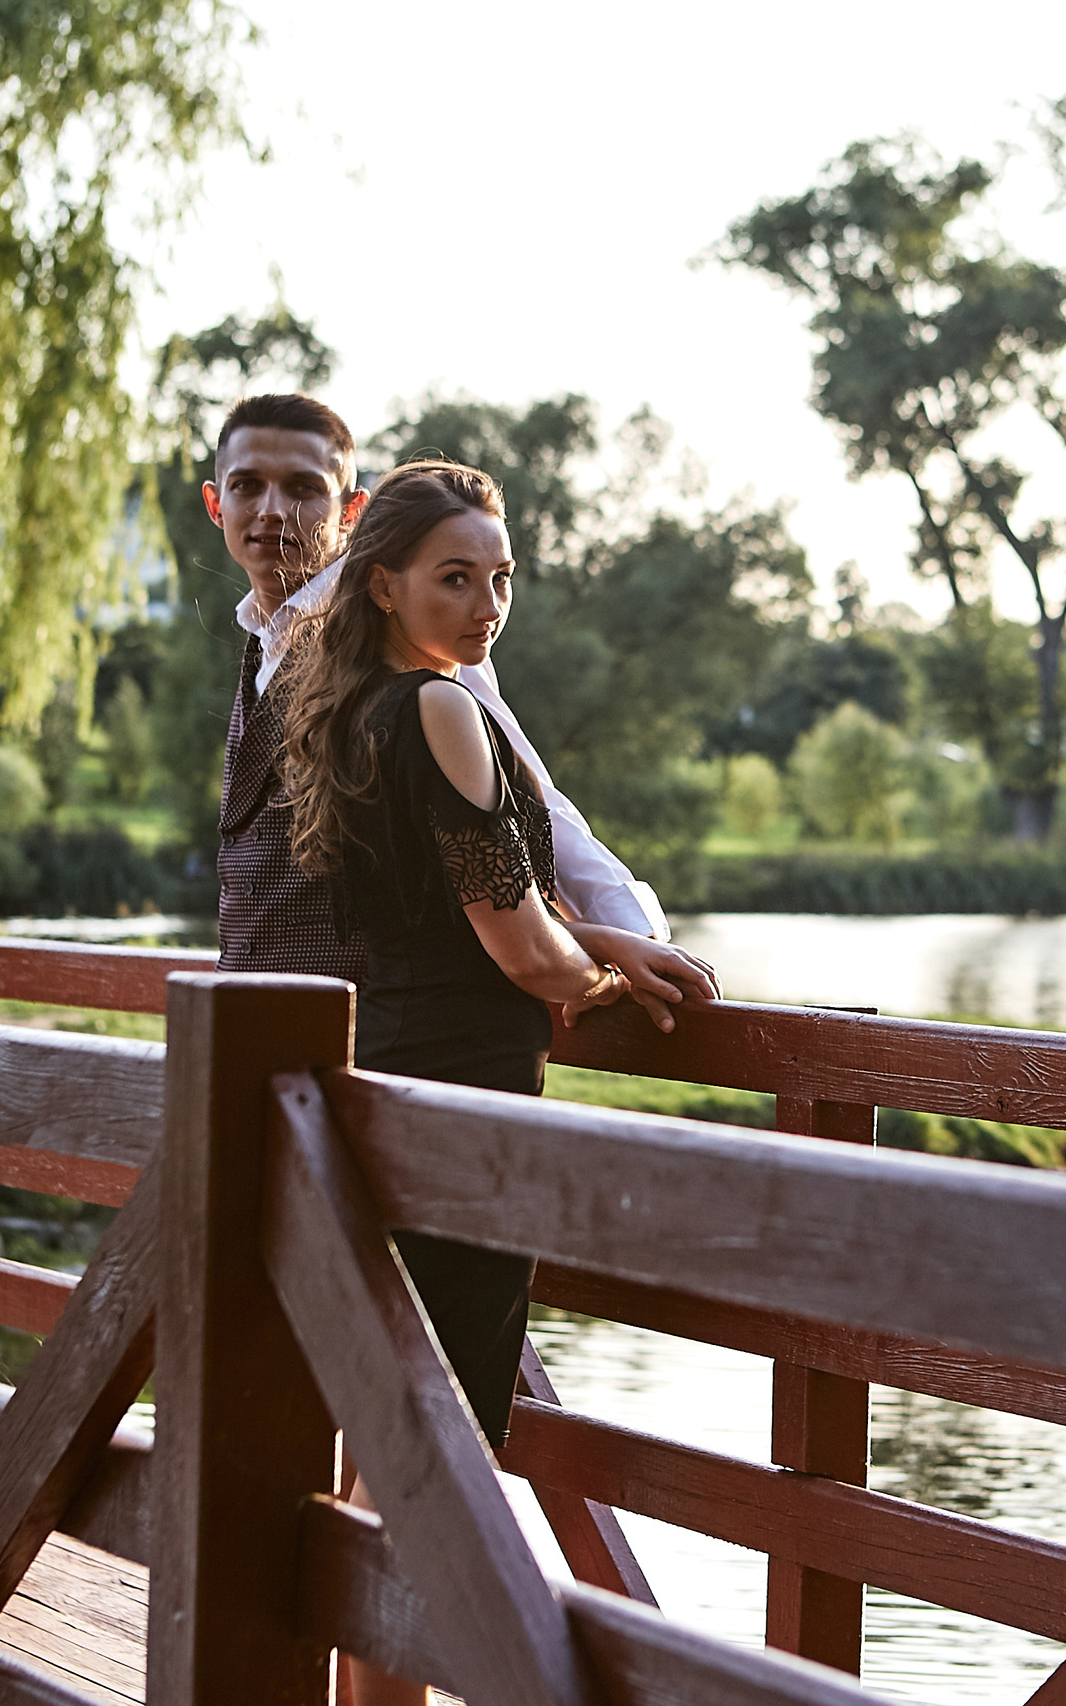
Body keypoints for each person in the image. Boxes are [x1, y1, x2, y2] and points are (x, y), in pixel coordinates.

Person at [280, 459, 702, 1706]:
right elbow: (517, 945)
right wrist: (604, 981)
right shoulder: (441, 709)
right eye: (454, 577)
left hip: (395, 1075)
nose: (484, 603)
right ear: (384, 581)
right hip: (465, 1098)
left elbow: (479, 906)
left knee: (396, 1435)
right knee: (439, 1448)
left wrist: (602, 941)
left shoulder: (353, 708)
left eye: (501, 577)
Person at [203, 393, 707, 1021]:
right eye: (248, 486)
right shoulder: (264, 636)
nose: (273, 512)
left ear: (351, 511)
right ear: (216, 502)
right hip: (256, 1022)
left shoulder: (421, 633)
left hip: (367, 1032)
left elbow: (530, 802)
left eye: (304, 489)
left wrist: (633, 936)